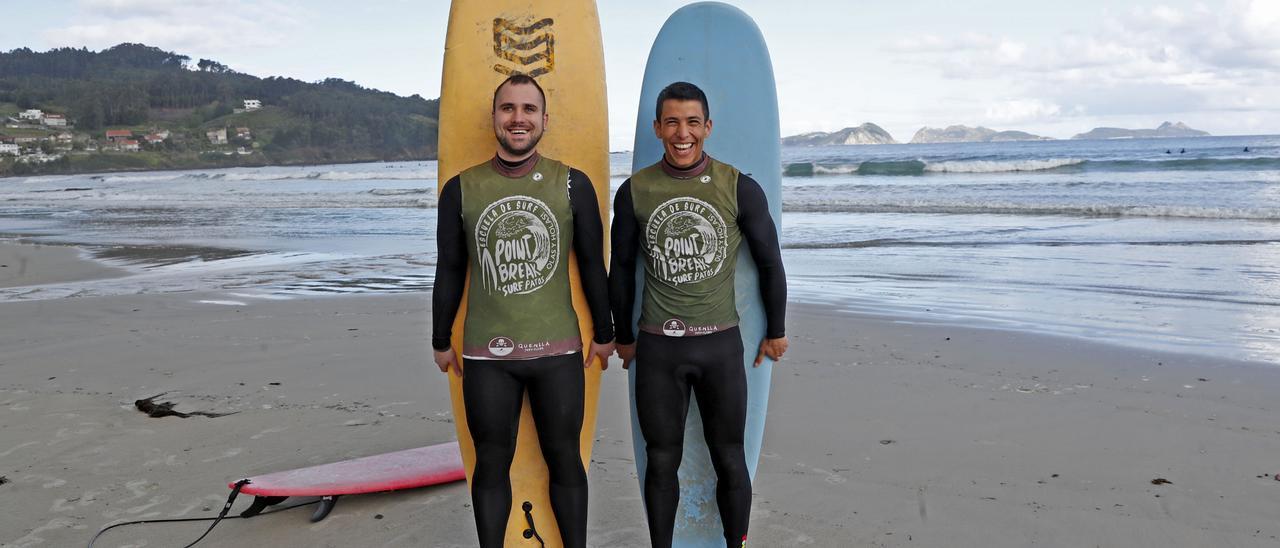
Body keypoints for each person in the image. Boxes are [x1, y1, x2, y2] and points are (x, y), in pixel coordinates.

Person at [432, 73, 614, 548]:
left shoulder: (573, 184)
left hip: (558, 352)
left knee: (565, 460)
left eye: (528, 109)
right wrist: (439, 338)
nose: (518, 118)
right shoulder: (460, 189)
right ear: (494, 118)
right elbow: (451, 268)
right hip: (487, 355)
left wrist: (605, 329)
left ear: (544, 120)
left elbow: (593, 262)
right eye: (508, 108)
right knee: (490, 463)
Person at [609, 81, 788, 548]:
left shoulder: (738, 186)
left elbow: (770, 260)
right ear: (657, 128)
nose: (681, 132)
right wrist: (622, 335)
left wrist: (776, 330)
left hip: (720, 347)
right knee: (661, 459)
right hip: (658, 347)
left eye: (691, 122)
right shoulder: (635, 191)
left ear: (707, 127)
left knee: (730, 458)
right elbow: (622, 268)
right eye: (671, 122)